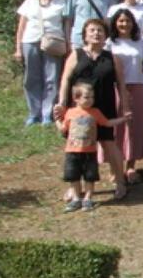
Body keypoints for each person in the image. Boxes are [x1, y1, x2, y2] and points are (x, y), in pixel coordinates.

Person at [55, 18, 132, 202]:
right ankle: (74, 188)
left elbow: (121, 85)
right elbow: (65, 80)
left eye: (100, 30)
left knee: (109, 144)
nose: (96, 33)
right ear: (85, 35)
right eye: (92, 30)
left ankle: (120, 183)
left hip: (104, 107)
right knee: (77, 148)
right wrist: (62, 103)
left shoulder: (112, 58)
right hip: (79, 109)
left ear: (105, 35)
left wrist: (125, 108)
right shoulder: (75, 55)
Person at [58, 82, 128, 212]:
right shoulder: (70, 112)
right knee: (73, 176)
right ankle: (76, 198)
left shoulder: (95, 112)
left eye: (92, 97)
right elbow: (63, 129)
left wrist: (122, 119)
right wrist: (57, 120)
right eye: (86, 97)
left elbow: (107, 123)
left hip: (89, 151)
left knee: (90, 176)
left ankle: (88, 198)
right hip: (72, 152)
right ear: (76, 98)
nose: (90, 100)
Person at [107, 9, 143, 184]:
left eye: (127, 21)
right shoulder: (109, 43)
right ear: (115, 23)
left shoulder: (142, 42)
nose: (124, 24)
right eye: (120, 21)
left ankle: (131, 166)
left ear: (133, 23)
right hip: (116, 89)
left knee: (135, 127)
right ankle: (115, 167)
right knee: (116, 129)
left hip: (138, 87)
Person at [16, 0, 67, 126]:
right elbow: (21, 27)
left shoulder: (61, 3)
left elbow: (66, 26)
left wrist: (67, 45)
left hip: (53, 43)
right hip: (30, 41)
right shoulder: (29, 2)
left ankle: (47, 113)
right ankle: (34, 113)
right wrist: (18, 48)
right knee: (31, 78)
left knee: (52, 78)